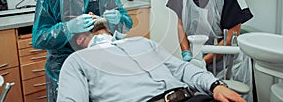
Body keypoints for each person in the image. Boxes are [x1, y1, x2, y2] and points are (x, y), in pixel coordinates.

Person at [57, 18, 246, 102]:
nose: (92, 15)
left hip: (193, 98)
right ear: (79, 39)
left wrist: (215, 85)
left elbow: (182, 69)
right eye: (85, 18)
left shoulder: (141, 43)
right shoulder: (78, 61)